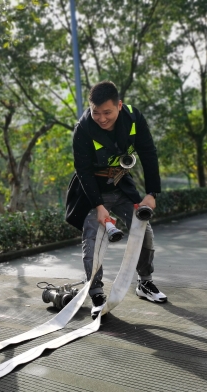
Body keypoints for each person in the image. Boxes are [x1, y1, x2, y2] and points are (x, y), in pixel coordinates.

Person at [66, 81, 167, 319]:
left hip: (121, 184)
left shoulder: (134, 118)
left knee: (143, 230)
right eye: (96, 112)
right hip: (91, 190)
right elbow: (83, 170)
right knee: (92, 239)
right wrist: (99, 207)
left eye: (107, 112)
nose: (101, 118)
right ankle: (96, 293)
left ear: (119, 106)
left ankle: (145, 282)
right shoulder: (83, 128)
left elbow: (148, 153)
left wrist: (152, 193)